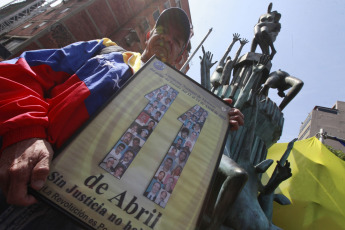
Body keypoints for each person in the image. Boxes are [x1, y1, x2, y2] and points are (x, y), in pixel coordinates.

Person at [0, 7, 244, 229]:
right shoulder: (106, 52)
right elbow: (21, 71)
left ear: (180, 59)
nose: (167, 39)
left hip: (114, 217)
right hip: (35, 187)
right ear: (148, 37)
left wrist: (217, 122)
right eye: (162, 31)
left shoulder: (184, 112)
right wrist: (26, 134)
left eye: (177, 41)